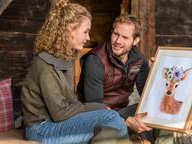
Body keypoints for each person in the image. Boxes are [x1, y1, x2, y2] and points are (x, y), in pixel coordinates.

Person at [21, 1, 128, 144]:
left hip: (58, 124)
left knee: (117, 122)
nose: (88, 37)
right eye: (85, 31)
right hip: (41, 130)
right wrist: (99, 107)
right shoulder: (45, 64)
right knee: (111, 118)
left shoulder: (67, 59)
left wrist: (98, 110)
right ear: (69, 30)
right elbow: (59, 113)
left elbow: (71, 102)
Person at [78, 15, 154, 142]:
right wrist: (126, 120)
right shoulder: (95, 60)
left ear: (135, 41)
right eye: (116, 34)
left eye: (125, 37)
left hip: (121, 111)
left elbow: (146, 95)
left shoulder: (139, 59)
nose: (118, 41)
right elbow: (95, 105)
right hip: (94, 115)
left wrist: (156, 74)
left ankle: (145, 141)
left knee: (149, 113)